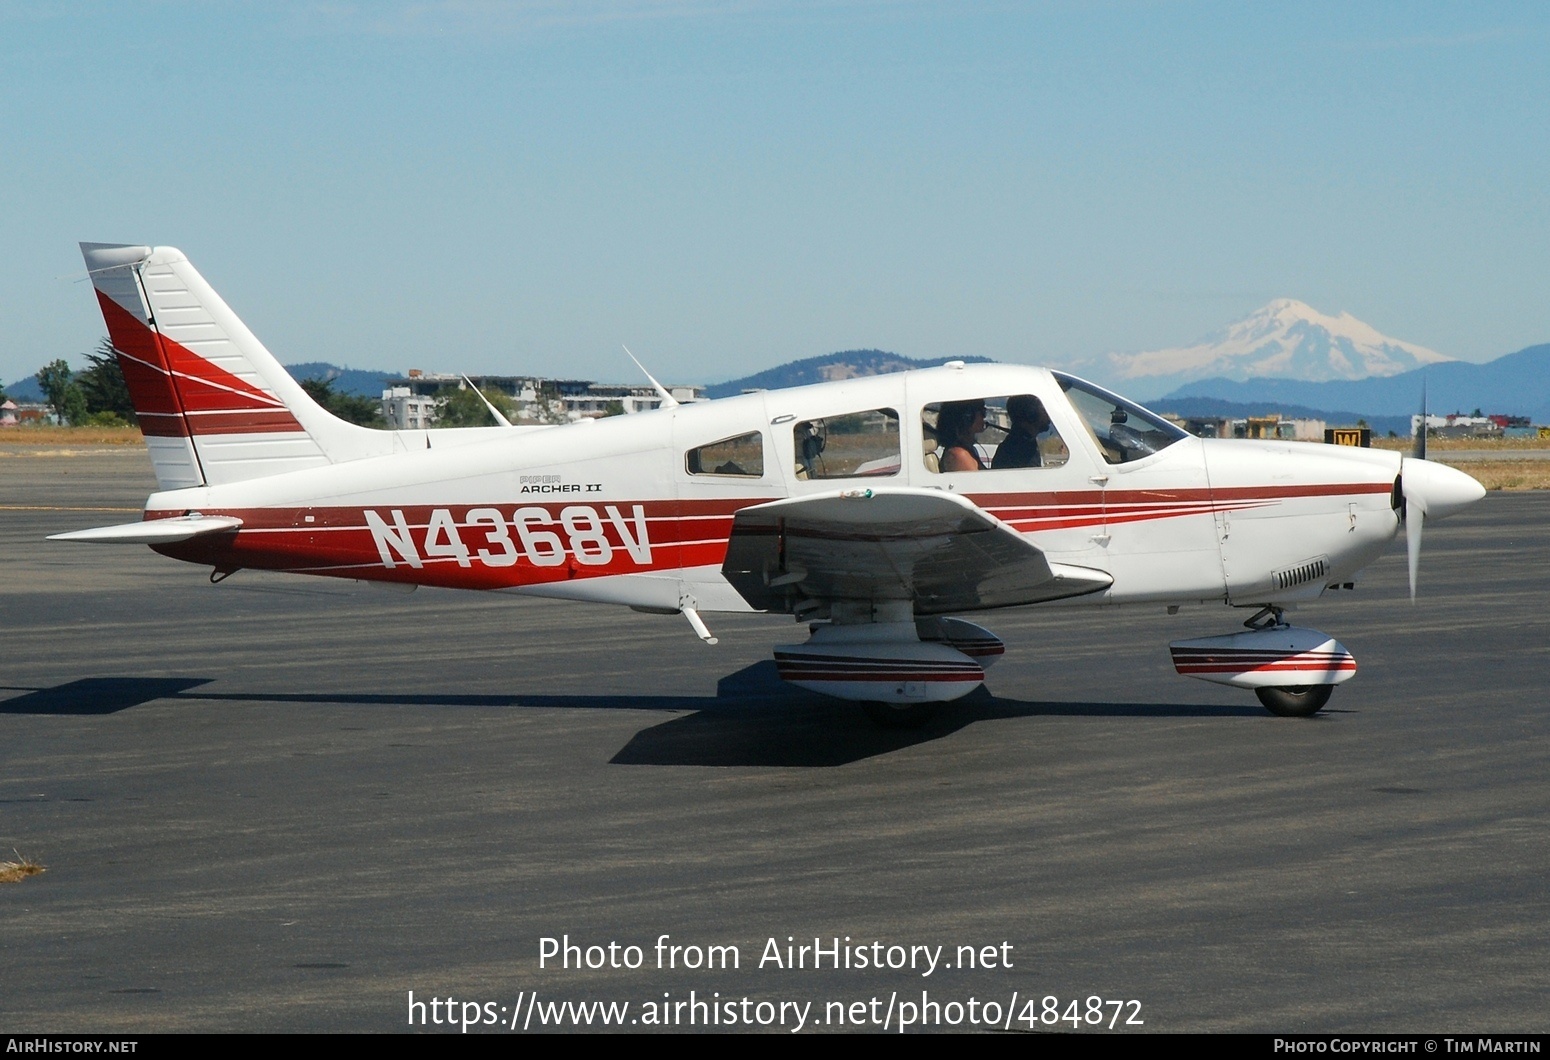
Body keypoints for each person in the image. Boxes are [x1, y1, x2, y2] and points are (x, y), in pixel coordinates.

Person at [991, 394, 1051, 469]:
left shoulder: (1025, 444)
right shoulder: (1017, 453)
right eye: (1043, 410)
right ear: (1031, 414)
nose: (1048, 415)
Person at [936, 400, 987, 471]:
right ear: (967, 418)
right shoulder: (960, 455)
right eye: (983, 413)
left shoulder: (969, 450)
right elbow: (977, 482)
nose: (984, 418)